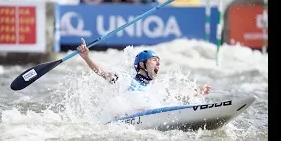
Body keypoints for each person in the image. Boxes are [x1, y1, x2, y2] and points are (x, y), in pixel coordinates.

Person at [77, 38, 211, 97]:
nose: (158, 63)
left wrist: (197, 91)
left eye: (159, 61)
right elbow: (103, 72)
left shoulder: (156, 88)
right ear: (142, 64)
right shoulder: (126, 81)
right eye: (154, 60)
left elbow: (177, 96)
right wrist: (87, 58)